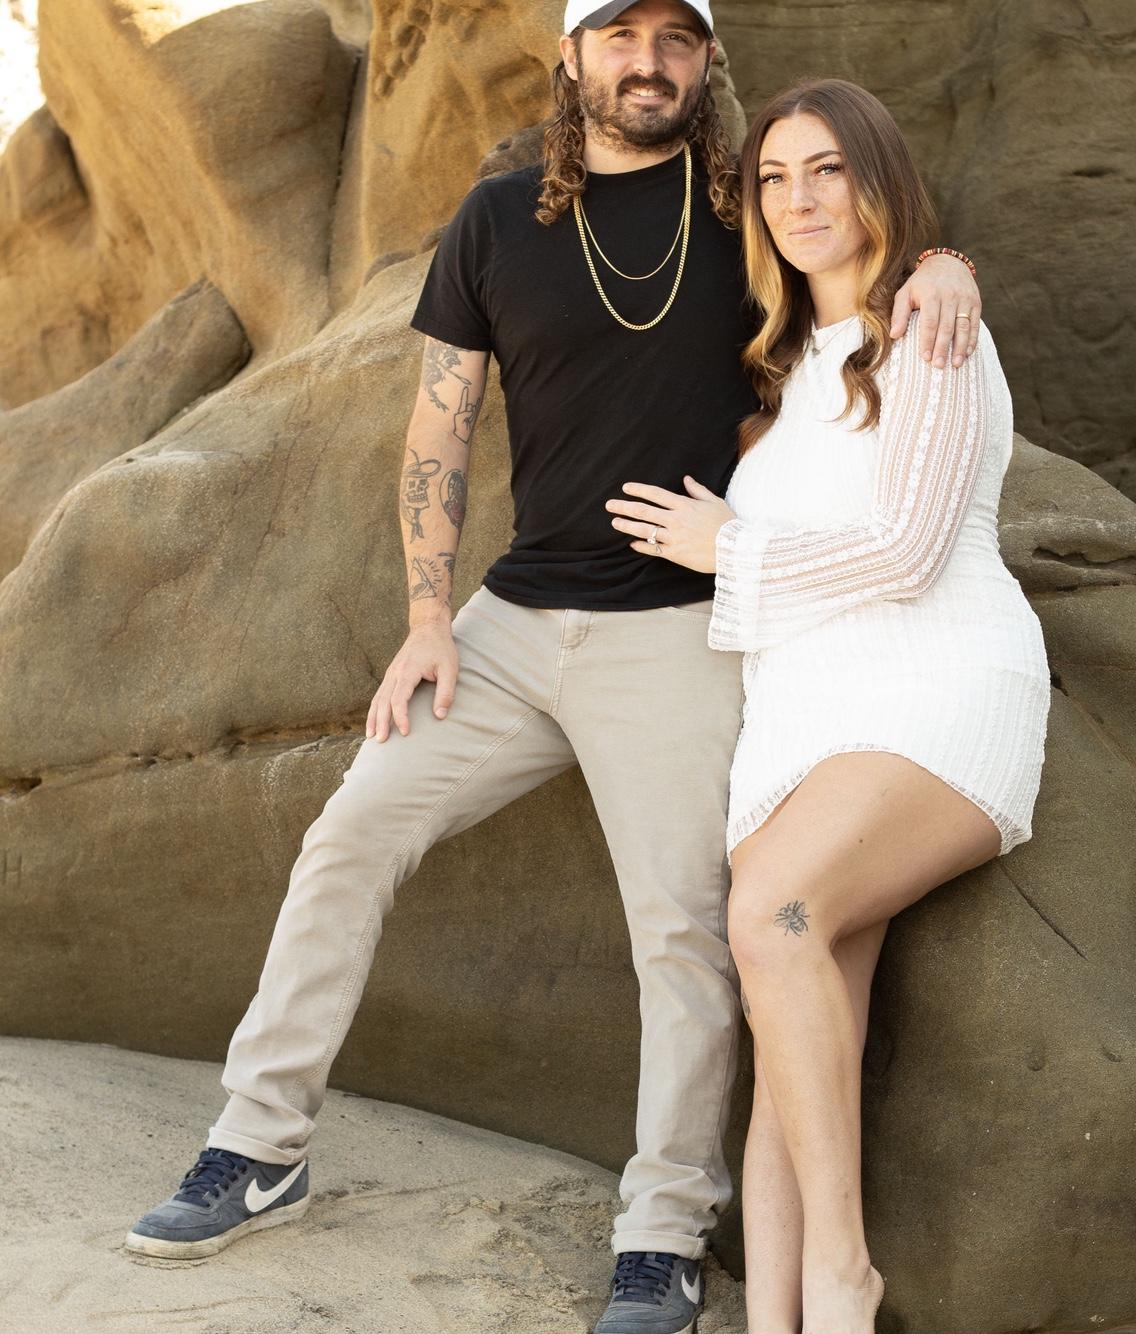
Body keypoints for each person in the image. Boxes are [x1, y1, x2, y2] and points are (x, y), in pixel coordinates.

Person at [124, 4, 982, 1328]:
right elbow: (438, 424)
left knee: (683, 931)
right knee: (349, 831)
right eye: (619, 35)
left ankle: (662, 1236)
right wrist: (427, 617)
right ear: (570, 57)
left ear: (703, 62)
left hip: (679, 630)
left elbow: (854, 242)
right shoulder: (493, 222)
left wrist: (945, 266)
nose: (649, 61)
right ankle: (258, 1145)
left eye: (676, 39)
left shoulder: (743, 213)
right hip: (510, 621)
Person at [604, 78, 1050, 1332]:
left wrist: (725, 547)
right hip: (799, 719)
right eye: (773, 177)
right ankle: (783, 1317)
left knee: (771, 914)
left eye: (825, 170)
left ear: (875, 181)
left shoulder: (927, 328)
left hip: (932, 687)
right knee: (798, 1044)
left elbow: (907, 551)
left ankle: (845, 1272)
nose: (797, 199)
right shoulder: (782, 373)